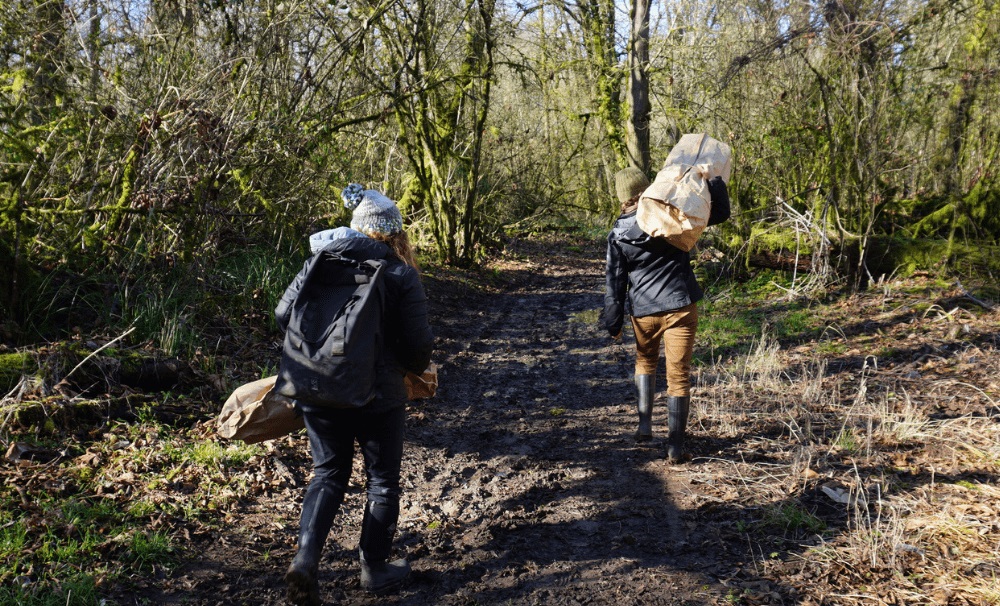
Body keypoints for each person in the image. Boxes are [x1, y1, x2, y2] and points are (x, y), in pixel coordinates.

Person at [278, 184, 434, 605]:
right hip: (377, 394)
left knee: (327, 474)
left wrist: (323, 355)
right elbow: (419, 345)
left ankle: (306, 561)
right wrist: (409, 370)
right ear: (394, 232)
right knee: (381, 480)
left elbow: (282, 313)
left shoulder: (318, 262)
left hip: (316, 385)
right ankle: (375, 569)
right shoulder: (400, 273)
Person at [602, 167, 730, 462]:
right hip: (679, 307)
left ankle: (645, 425)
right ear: (647, 187)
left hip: (643, 310)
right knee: (678, 376)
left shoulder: (618, 232)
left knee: (645, 361)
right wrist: (714, 180)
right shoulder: (673, 212)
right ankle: (675, 448)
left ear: (621, 198)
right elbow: (719, 213)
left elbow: (615, 282)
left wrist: (613, 323)